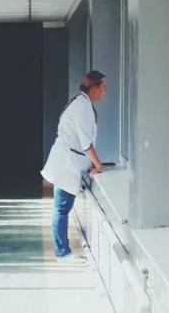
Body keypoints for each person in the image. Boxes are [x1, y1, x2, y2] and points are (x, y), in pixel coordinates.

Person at [40, 71, 107, 260]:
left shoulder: (82, 103)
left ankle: (62, 249)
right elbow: (86, 143)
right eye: (103, 87)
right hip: (65, 164)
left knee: (62, 207)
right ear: (94, 87)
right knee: (61, 208)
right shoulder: (83, 107)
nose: (104, 91)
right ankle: (62, 251)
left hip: (67, 161)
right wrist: (99, 165)